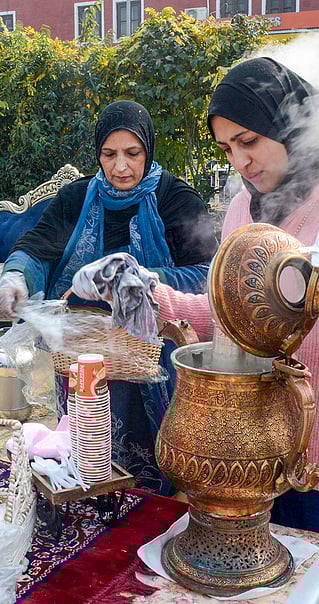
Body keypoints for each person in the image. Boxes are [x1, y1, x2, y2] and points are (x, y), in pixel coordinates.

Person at [73, 59, 319, 602]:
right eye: (228, 149)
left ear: (289, 122)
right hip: (252, 458)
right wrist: (146, 294)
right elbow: (229, 310)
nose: (241, 161)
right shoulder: (242, 211)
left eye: (249, 141)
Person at [0, 100, 218, 494]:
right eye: (109, 154)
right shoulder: (76, 198)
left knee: (151, 461)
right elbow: (37, 249)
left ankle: (152, 505)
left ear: (148, 151)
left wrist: (138, 281)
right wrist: (15, 277)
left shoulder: (175, 200)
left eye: (132, 154)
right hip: (82, 351)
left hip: (155, 354)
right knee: (86, 449)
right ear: (97, 153)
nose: (120, 167)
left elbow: (206, 277)